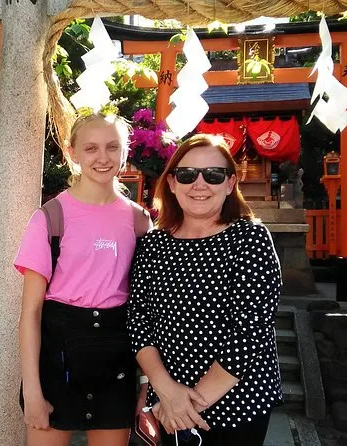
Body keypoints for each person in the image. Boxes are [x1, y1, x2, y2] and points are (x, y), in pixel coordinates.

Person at [128, 134, 283, 446]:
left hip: (236, 401)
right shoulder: (153, 245)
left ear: (230, 183)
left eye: (213, 175)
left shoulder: (250, 239)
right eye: (187, 174)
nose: (199, 184)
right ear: (172, 182)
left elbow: (250, 329)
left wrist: (187, 407)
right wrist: (166, 390)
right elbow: (138, 319)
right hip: (167, 400)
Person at [14, 112, 152, 446]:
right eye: (91, 148)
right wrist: (32, 390)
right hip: (57, 356)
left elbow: (147, 309)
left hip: (116, 359)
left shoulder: (139, 221)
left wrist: (147, 383)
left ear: (125, 152)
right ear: (72, 152)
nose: (102, 157)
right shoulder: (50, 218)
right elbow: (31, 312)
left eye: (112, 147)